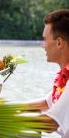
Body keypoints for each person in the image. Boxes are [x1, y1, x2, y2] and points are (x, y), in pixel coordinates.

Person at [25, 9, 69, 137]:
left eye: (44, 39)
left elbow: (50, 123)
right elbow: (47, 103)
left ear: (59, 43)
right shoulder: (65, 76)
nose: (42, 45)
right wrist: (5, 107)